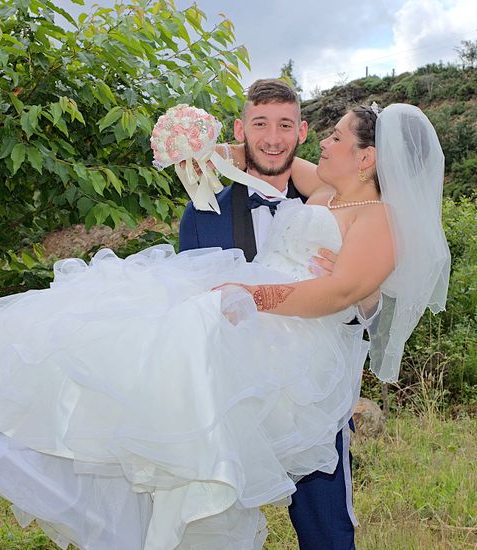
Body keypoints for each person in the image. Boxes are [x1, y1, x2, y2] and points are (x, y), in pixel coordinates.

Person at [0, 102, 450, 550]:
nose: (323, 141)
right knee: (114, 338)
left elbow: (346, 290)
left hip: (285, 337)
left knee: (158, 369)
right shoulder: (323, 189)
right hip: (255, 312)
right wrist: (195, 144)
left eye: (336, 137)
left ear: (367, 157)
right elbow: (257, 154)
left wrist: (259, 295)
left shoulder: (378, 218)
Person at [179, 78, 374, 549]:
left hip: (309, 400)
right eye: (259, 124)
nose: (272, 137)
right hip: (225, 400)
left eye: (285, 125)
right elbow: (186, 303)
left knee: (328, 533)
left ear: (302, 131)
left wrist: (356, 299)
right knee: (213, 527)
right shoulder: (201, 212)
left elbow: (365, 300)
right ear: (239, 128)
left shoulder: (335, 203)